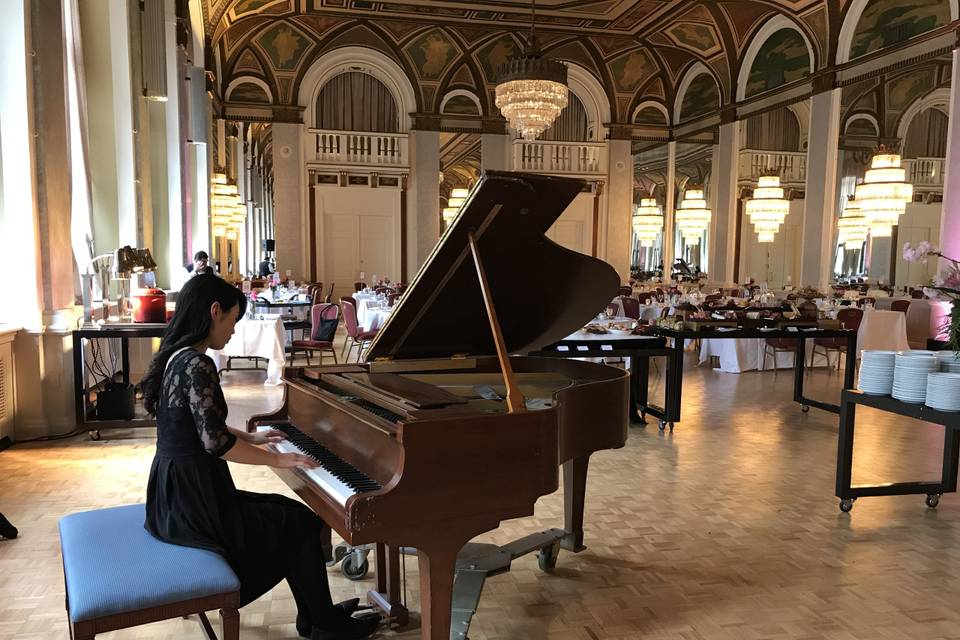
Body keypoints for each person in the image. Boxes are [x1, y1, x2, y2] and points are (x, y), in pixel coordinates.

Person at [139, 273, 379, 640]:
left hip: (174, 496)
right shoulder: (198, 365)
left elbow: (197, 426)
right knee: (297, 525)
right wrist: (279, 460)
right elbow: (214, 444)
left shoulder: (177, 357)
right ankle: (322, 622)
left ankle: (316, 615)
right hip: (197, 505)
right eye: (233, 320)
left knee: (297, 517)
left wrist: (249, 435)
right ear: (214, 311)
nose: (233, 331)